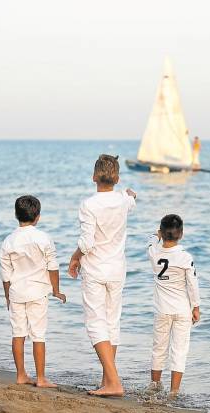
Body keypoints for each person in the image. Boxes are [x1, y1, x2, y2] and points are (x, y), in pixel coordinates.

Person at [68, 154, 136, 397]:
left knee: (96, 323)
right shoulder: (123, 201)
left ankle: (114, 382)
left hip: (96, 269)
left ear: (94, 177)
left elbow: (86, 243)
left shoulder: (89, 205)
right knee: (112, 322)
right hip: (117, 269)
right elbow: (131, 199)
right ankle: (108, 381)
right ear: (116, 178)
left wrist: (75, 257)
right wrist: (130, 194)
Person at [0, 195, 66, 387]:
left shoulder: (9, 241)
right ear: (37, 216)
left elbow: (6, 274)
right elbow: (53, 266)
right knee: (38, 335)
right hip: (38, 293)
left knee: (18, 334)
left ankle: (21, 375)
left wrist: (7, 297)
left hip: (16, 292)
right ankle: (41, 378)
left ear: (15, 215)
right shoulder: (43, 238)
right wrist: (56, 290)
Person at [145, 214, 200, 398]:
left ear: (161, 232)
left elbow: (151, 239)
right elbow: (192, 284)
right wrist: (196, 307)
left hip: (162, 310)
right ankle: (174, 391)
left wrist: (156, 235)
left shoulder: (153, 252)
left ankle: (154, 384)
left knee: (158, 347)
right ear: (181, 234)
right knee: (179, 350)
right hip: (182, 310)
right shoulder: (185, 257)